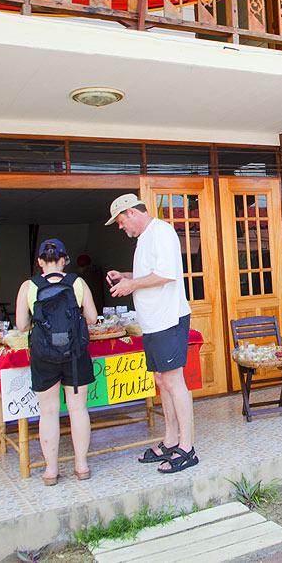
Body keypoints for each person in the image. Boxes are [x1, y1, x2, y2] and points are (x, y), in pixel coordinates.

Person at [106, 194, 197, 474]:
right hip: (153, 322)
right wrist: (126, 276)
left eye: (121, 222)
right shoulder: (145, 237)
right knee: (162, 380)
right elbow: (151, 273)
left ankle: (187, 447)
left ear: (132, 213)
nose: (121, 228)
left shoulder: (162, 232)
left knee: (174, 381)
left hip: (169, 318)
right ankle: (170, 440)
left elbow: (167, 274)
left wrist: (132, 285)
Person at [14, 239, 98, 485]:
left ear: (40, 262)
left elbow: (20, 325)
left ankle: (51, 470)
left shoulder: (28, 286)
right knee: (78, 409)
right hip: (75, 354)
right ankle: (81, 466)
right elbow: (92, 318)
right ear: (64, 260)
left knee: (48, 412)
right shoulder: (77, 282)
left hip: (44, 356)